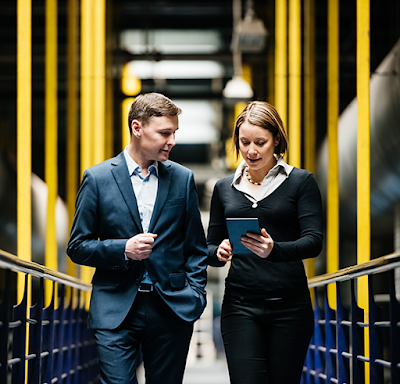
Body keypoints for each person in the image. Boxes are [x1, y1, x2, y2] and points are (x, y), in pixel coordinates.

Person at [67, 93, 208, 384]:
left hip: (171, 308)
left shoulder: (182, 179)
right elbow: (78, 246)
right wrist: (123, 249)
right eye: (165, 133)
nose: (172, 141)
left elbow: (195, 248)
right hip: (114, 308)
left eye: (174, 133)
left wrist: (196, 296)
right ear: (137, 128)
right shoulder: (97, 178)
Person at [207, 101, 323, 384]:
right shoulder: (224, 188)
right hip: (240, 306)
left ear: (277, 140)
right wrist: (219, 252)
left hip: (290, 306)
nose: (251, 150)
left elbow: (314, 241)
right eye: (244, 142)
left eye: (260, 142)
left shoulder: (301, 182)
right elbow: (207, 248)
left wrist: (275, 250)